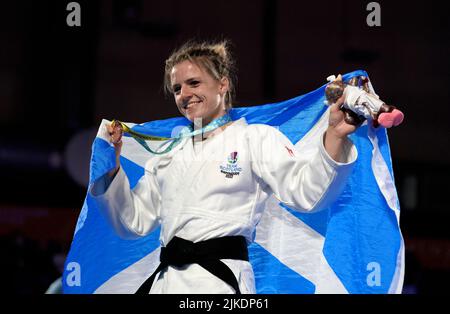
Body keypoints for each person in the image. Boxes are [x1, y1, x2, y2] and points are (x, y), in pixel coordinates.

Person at [90, 39, 359, 294]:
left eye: (194, 83)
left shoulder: (255, 139)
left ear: (222, 85)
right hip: (167, 283)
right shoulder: (166, 155)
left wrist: (335, 135)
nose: (185, 94)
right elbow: (131, 222)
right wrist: (111, 164)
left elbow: (308, 193)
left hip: (221, 281)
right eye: (177, 88)